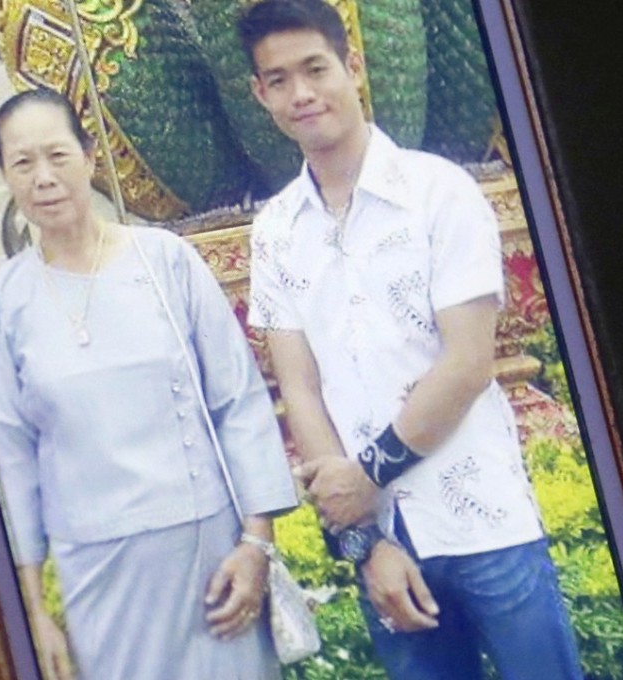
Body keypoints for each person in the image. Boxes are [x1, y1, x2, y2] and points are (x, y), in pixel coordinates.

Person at [237, 1, 584, 678]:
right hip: (386, 547)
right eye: (278, 80)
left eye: (315, 69)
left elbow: (467, 363)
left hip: (487, 526)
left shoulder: (440, 193)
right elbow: (300, 389)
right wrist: (365, 541)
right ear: (259, 94)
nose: (301, 94)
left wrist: (364, 478)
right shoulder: (274, 231)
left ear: (353, 66)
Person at [0, 88, 297, 680]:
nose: (44, 178)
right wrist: (30, 609)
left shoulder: (165, 259)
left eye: (58, 155)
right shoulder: (1, 302)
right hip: (96, 572)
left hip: (211, 559)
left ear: (90, 155)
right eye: (23, 163)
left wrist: (257, 545)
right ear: (4, 175)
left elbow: (239, 401)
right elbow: (9, 454)